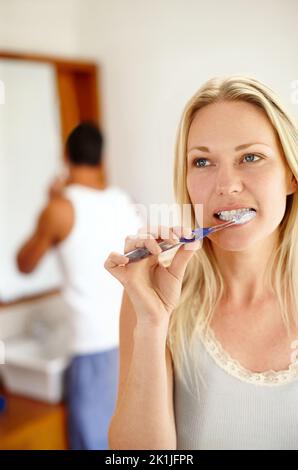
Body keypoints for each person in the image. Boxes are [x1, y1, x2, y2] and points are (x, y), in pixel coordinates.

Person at [104, 76, 298, 450]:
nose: (225, 184)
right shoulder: (151, 298)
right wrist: (152, 323)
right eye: (203, 161)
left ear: (291, 174)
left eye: (251, 157)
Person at [16, 122, 142, 450]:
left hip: (91, 346)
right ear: (102, 158)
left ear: (65, 156)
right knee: (128, 439)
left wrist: (49, 204)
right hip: (131, 337)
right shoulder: (123, 202)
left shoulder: (59, 209)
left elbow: (24, 264)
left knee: (93, 443)